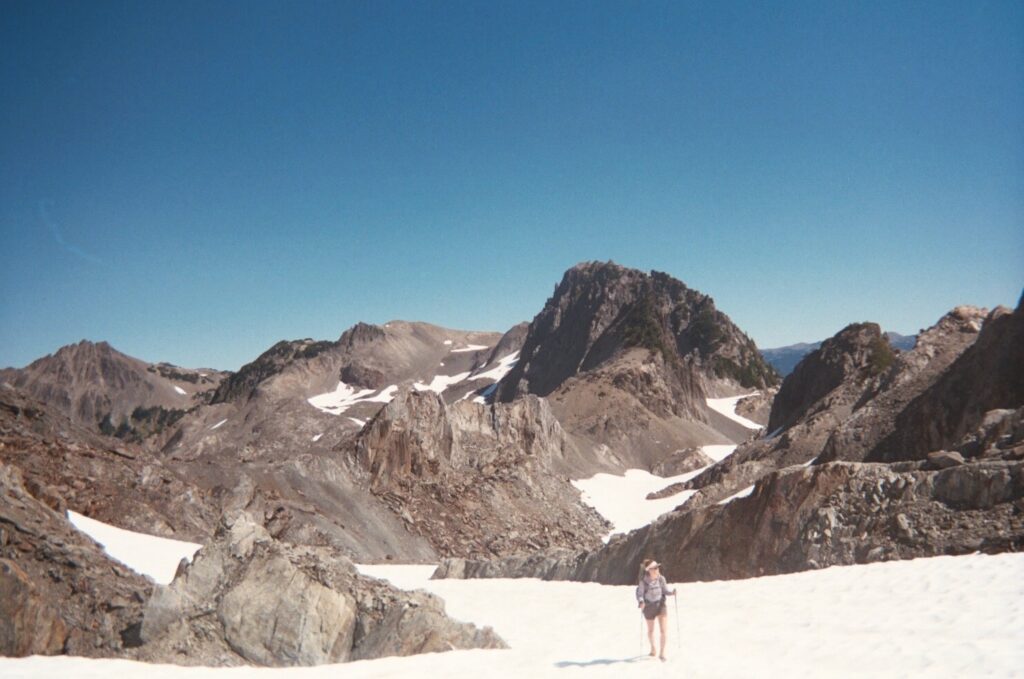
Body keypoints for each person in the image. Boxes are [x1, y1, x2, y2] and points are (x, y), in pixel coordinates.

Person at [635, 558, 677, 661]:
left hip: (661, 605)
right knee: (651, 631)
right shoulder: (643, 582)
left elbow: (665, 590)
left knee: (663, 630)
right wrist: (641, 602)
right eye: (655, 567)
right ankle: (653, 648)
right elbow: (639, 594)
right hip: (649, 607)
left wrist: (672, 593)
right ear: (649, 570)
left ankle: (662, 653)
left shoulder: (661, 579)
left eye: (658, 567)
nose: (658, 569)